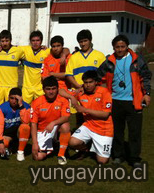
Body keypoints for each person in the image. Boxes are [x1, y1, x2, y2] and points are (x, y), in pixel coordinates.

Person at [97, 35, 152, 168]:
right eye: (117, 47)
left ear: (127, 46)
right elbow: (98, 76)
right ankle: (118, 156)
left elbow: (145, 77)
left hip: (134, 101)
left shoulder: (137, 60)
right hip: (115, 101)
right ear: (113, 48)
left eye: (122, 46)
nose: (120, 49)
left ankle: (134, 158)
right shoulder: (109, 61)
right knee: (117, 131)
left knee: (134, 131)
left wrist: (147, 94)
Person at [69, 70, 113, 164]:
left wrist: (84, 110)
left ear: (96, 82)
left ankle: (95, 146)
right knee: (72, 142)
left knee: (102, 161)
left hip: (104, 129)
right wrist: (72, 97)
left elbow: (105, 115)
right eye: (85, 82)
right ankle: (86, 149)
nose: (88, 85)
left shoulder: (104, 92)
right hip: (89, 125)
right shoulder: (81, 92)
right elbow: (61, 91)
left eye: (90, 82)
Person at [65, 30, 106, 126]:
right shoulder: (74, 57)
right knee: (80, 119)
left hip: (95, 93)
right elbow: (68, 74)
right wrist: (79, 86)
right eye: (80, 42)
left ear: (90, 40)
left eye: (85, 41)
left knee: (95, 119)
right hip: (80, 93)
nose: (83, 44)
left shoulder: (99, 56)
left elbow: (104, 76)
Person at [29, 76, 71, 165]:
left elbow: (66, 117)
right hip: (43, 131)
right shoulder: (36, 102)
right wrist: (34, 143)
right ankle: (53, 145)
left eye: (53, 89)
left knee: (65, 125)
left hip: (56, 128)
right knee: (37, 157)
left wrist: (53, 123)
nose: (51, 92)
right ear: (43, 89)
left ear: (57, 89)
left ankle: (61, 154)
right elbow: (33, 124)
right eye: (48, 89)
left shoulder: (63, 100)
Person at [0, 88, 31, 161]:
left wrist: (21, 106)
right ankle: (10, 146)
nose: (14, 101)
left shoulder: (26, 107)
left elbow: (26, 121)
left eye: (16, 99)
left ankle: (20, 152)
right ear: (8, 97)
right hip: (7, 133)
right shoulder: (2, 108)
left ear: (20, 98)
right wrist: (0, 142)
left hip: (19, 132)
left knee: (25, 127)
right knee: (4, 144)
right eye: (11, 98)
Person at [0, 30, 24, 108]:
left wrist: (43, 47)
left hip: (12, 86)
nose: (4, 43)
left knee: (12, 109)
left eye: (7, 41)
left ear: (10, 40)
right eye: (2, 41)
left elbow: (31, 49)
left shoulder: (18, 50)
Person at [19, 31, 51, 104]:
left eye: (37, 40)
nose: (35, 43)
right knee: (25, 110)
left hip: (40, 87)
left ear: (41, 41)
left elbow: (64, 50)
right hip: (27, 88)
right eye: (33, 40)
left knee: (40, 110)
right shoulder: (26, 50)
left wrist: (63, 55)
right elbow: (12, 48)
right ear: (30, 42)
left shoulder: (46, 52)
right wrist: (0, 46)